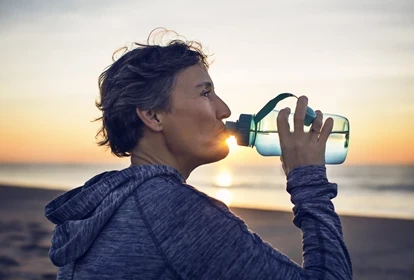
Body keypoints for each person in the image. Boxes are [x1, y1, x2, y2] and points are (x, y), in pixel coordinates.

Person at [45, 29, 352, 280]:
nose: (225, 110)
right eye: (205, 93)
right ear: (153, 116)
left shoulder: (114, 203)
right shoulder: (172, 210)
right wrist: (308, 181)